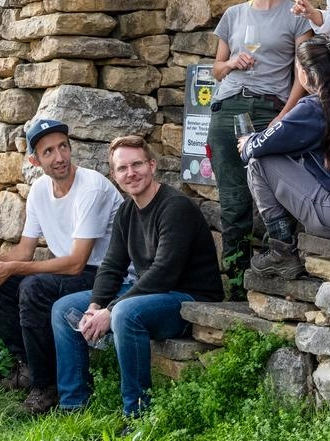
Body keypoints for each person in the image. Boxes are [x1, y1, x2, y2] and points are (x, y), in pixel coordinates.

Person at [49, 136, 224, 422]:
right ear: (115, 175)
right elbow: (112, 266)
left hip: (188, 298)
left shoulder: (175, 207)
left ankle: (137, 416)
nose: (130, 173)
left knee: (125, 314)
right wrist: (96, 305)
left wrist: (112, 309)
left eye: (137, 164)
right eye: (122, 168)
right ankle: (74, 406)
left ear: (152, 165)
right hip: (150, 293)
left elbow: (164, 273)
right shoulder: (127, 211)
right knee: (63, 309)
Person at [0, 118, 122, 415]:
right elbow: (25, 251)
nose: (59, 157)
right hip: (69, 271)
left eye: (63, 147)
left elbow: (77, 262)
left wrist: (12, 268)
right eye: (48, 152)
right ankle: (29, 366)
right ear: (35, 160)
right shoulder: (41, 189)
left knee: (33, 287)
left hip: (105, 275)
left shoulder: (91, 188)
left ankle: (46, 386)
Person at [207, 0, 311, 290]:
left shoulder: (294, 15)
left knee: (274, 195)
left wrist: (285, 114)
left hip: (269, 110)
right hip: (227, 109)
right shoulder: (234, 14)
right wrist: (232, 62)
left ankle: (271, 281)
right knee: (233, 201)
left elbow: (304, 73)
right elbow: (216, 69)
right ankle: (235, 287)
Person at [243, 37, 330, 279]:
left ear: (306, 74)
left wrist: (247, 143)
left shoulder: (314, 107)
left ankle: (281, 251)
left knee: (259, 163)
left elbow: (259, 148)